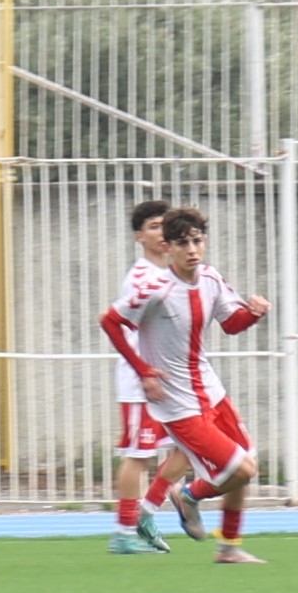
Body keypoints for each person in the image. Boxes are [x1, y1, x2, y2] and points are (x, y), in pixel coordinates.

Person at [114, 204, 269, 564]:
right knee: (238, 469)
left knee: (243, 465)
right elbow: (111, 321)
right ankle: (171, 505)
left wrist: (255, 313)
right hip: (174, 399)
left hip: (210, 391)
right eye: (182, 243)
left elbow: (231, 323)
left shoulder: (210, 278)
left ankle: (228, 547)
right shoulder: (151, 285)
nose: (192, 249)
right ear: (167, 246)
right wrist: (143, 371)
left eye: (197, 241)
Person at [97, 193, 209, 554]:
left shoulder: (169, 274)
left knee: (190, 448)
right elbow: (120, 327)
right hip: (143, 383)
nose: (161, 232)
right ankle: (124, 533)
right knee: (138, 455)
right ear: (138, 236)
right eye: (153, 226)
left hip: (169, 383)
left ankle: (153, 507)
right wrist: (143, 371)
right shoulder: (142, 277)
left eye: (165, 226)